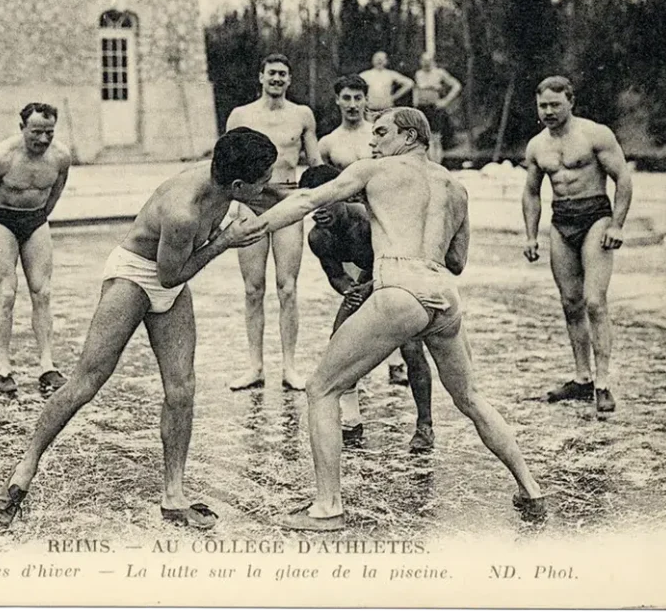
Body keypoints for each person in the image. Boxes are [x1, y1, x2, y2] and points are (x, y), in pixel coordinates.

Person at [249, 107, 546, 530]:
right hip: (444, 296)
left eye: (382, 132)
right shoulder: (455, 186)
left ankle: (327, 507)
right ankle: (530, 488)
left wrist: (247, 232)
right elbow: (457, 262)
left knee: (321, 389)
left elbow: (307, 200)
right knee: (470, 399)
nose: (373, 141)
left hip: (401, 288)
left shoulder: (372, 170)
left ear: (409, 136)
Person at [0, 127, 279, 529]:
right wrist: (225, 241)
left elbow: (272, 199)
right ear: (237, 185)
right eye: (263, 179)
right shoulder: (182, 211)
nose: (267, 185)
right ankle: (26, 464)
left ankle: (173, 495)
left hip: (172, 279)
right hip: (138, 276)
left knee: (182, 389)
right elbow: (169, 276)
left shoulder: (225, 180)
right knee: (86, 382)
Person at [299, 165, 434, 451]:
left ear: (342, 196)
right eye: (313, 205)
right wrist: (350, 291)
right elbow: (336, 275)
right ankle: (351, 419)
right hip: (369, 277)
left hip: (402, 274)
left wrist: (370, 286)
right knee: (339, 341)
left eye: (326, 202)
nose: (320, 212)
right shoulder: (318, 237)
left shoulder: (369, 220)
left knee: (411, 346)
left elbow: (403, 258)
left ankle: (425, 424)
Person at [522, 76, 632, 413]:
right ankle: (582, 379)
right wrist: (530, 234)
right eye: (543, 106)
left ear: (571, 101)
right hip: (561, 221)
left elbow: (623, 178)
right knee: (570, 303)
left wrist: (617, 225)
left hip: (595, 216)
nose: (549, 111)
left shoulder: (595, 134)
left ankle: (603, 383)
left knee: (594, 301)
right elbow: (531, 192)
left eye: (556, 104)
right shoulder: (537, 146)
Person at [225, 53, 323, 393]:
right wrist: (228, 204)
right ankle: (255, 365)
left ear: (289, 79)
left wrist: (319, 199)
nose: (277, 79)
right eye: (272, 73)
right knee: (253, 289)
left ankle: (290, 367)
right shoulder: (241, 115)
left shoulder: (302, 115)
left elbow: (315, 164)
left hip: (288, 200)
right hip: (251, 203)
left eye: (283, 74)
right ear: (261, 76)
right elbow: (225, 164)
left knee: (288, 287)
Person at [0, 103, 72, 397]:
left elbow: (55, 193)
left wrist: (38, 219)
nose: (43, 139)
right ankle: (2, 367)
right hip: (1, 221)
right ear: (22, 128)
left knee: (43, 293)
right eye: (36, 132)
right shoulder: (0, 158)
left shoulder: (60, 157)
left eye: (49, 132)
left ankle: (47, 365)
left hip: (35, 220)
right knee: (6, 294)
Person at [413, 53, 462, 164]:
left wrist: (446, 101)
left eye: (429, 60)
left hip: (434, 107)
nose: (426, 63)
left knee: (435, 138)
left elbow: (456, 86)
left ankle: (437, 164)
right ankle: (429, 165)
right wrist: (415, 102)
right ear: (420, 61)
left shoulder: (439, 73)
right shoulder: (418, 74)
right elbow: (416, 89)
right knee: (425, 139)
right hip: (422, 107)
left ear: (433, 61)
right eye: (424, 61)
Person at [358, 51, 414, 123]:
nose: (379, 61)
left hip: (387, 110)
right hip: (370, 111)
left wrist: (394, 97)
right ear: (372, 60)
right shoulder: (365, 75)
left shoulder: (390, 74)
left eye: (382, 59)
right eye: (377, 58)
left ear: (386, 61)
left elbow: (409, 83)